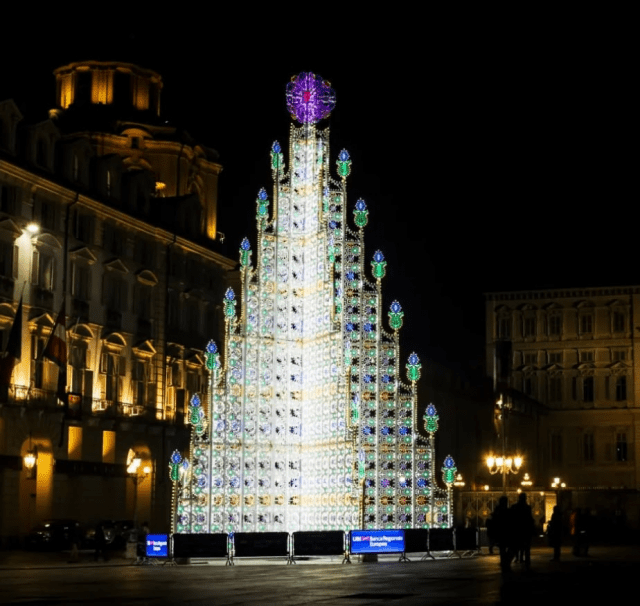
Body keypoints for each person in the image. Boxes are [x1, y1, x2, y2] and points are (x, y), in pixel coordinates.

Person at [510, 492, 534, 569]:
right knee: (526, 548)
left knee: (515, 546)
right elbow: (530, 519)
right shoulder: (527, 508)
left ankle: (516, 559)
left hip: (517, 530)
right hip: (526, 530)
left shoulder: (514, 507)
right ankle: (526, 562)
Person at [491, 496, 511, 573]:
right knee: (508, 548)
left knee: (502, 549)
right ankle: (505, 561)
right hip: (505, 532)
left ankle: (504, 561)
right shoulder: (506, 510)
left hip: (500, 532)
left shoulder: (497, 510)